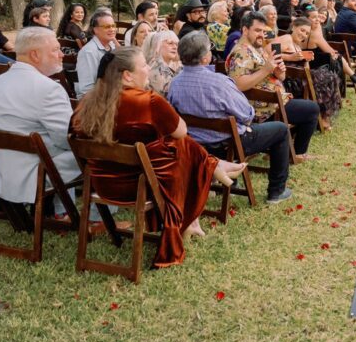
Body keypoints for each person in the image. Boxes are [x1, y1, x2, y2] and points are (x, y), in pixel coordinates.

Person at [72, 46, 246, 267]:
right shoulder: (148, 101)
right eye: (144, 64)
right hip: (140, 186)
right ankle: (212, 168)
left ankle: (214, 167)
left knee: (170, 146)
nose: (148, 68)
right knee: (179, 143)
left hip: (102, 184)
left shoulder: (85, 103)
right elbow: (182, 130)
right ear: (127, 75)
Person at [167, 32, 294, 204]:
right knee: (280, 129)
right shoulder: (219, 82)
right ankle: (276, 191)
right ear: (205, 58)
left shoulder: (175, 83)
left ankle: (230, 183)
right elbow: (247, 114)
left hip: (196, 145)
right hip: (228, 143)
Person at [0, 28, 85, 216]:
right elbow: (66, 139)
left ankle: (60, 211)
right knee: (97, 153)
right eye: (55, 49)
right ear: (35, 55)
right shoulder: (48, 88)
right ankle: (94, 218)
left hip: (6, 172)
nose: (61, 54)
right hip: (38, 173)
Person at [228, 11, 318, 161]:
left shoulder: (258, 49)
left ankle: (286, 150)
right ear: (245, 30)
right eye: (257, 30)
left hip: (275, 101)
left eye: (263, 31)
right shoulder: (241, 52)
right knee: (312, 110)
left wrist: (278, 71)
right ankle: (296, 153)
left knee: (309, 107)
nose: (261, 35)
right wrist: (266, 70)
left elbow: (280, 76)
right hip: (264, 108)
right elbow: (238, 84)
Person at [275, 17, 342, 130]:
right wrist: (289, 57)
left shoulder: (297, 44)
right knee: (327, 79)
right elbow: (268, 51)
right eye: (302, 30)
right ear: (294, 27)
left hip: (299, 77)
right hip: (289, 81)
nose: (304, 35)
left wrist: (306, 60)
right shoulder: (287, 38)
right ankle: (322, 117)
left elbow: (303, 66)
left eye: (307, 33)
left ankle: (323, 116)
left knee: (330, 77)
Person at [75, 8, 117, 98]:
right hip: (96, 101)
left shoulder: (112, 45)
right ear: (95, 30)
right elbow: (87, 89)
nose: (112, 29)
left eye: (113, 26)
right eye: (107, 27)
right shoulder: (88, 52)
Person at [144, 30, 181, 96]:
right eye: (170, 43)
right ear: (158, 44)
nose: (175, 47)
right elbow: (166, 96)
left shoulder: (175, 65)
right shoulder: (155, 67)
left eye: (176, 44)